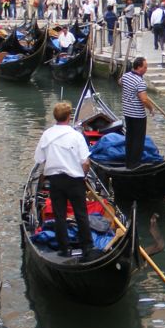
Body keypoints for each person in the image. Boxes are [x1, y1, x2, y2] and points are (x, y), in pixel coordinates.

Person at [34, 101, 94, 260]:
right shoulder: (76, 136)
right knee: (81, 214)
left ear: (55, 117)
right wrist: (85, 175)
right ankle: (87, 247)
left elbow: (40, 159)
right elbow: (86, 162)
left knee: (59, 215)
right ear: (69, 117)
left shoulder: (47, 135)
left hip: (56, 181)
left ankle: (64, 249)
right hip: (75, 181)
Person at [121, 57, 154, 170]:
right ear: (139, 67)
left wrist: (131, 91)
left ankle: (128, 162)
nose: (146, 69)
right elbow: (144, 100)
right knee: (138, 140)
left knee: (130, 137)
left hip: (127, 113)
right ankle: (135, 164)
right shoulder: (140, 82)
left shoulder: (126, 76)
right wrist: (151, 108)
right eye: (145, 67)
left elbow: (120, 82)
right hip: (137, 115)